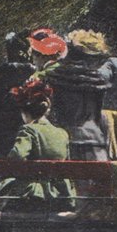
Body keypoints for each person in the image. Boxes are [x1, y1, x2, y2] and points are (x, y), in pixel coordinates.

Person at [0, 78, 75, 211]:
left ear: (24, 112)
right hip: (60, 193)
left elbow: (16, 156)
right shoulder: (62, 133)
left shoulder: (28, 130)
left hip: (34, 193)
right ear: (47, 110)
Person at [43, 29, 112, 161]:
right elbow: (103, 116)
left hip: (63, 139)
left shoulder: (54, 77)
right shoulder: (99, 81)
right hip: (95, 140)